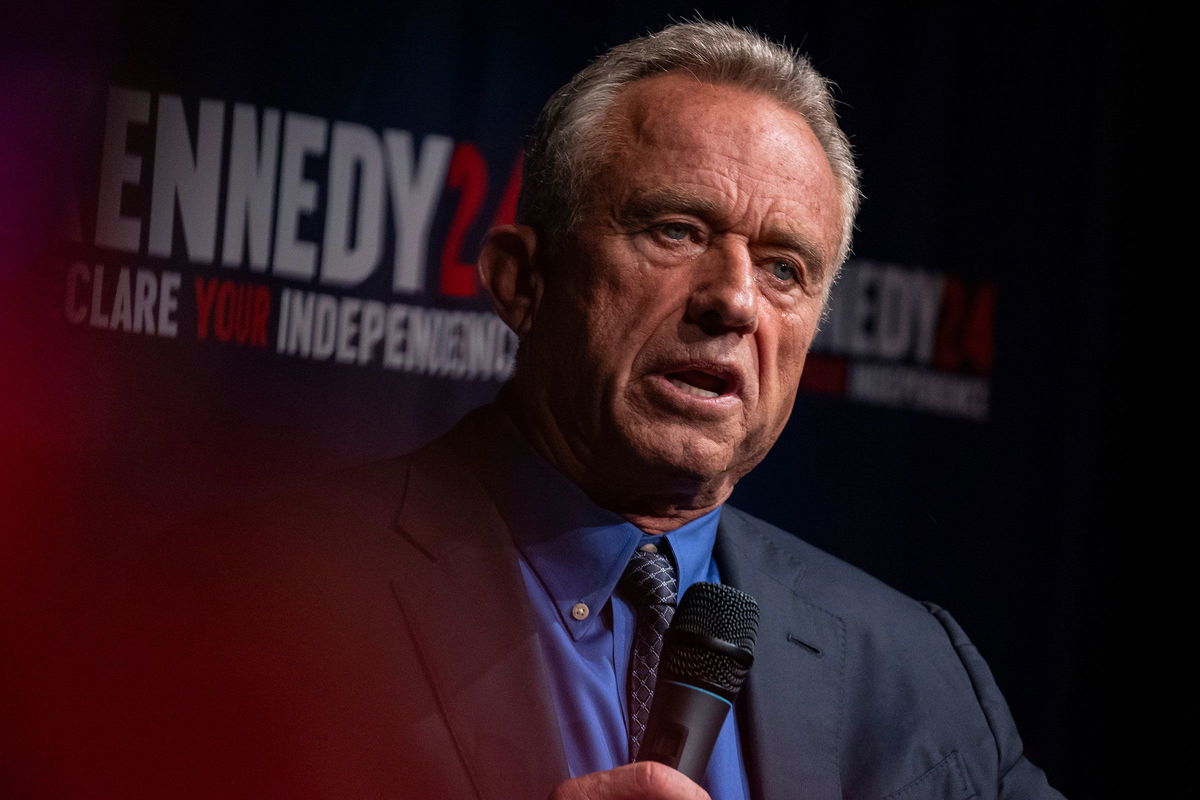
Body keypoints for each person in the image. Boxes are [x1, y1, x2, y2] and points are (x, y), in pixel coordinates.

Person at [18, 20, 1060, 800]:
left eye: (786, 267)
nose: (734, 298)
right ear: (522, 279)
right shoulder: (246, 602)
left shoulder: (917, 669)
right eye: (673, 229)